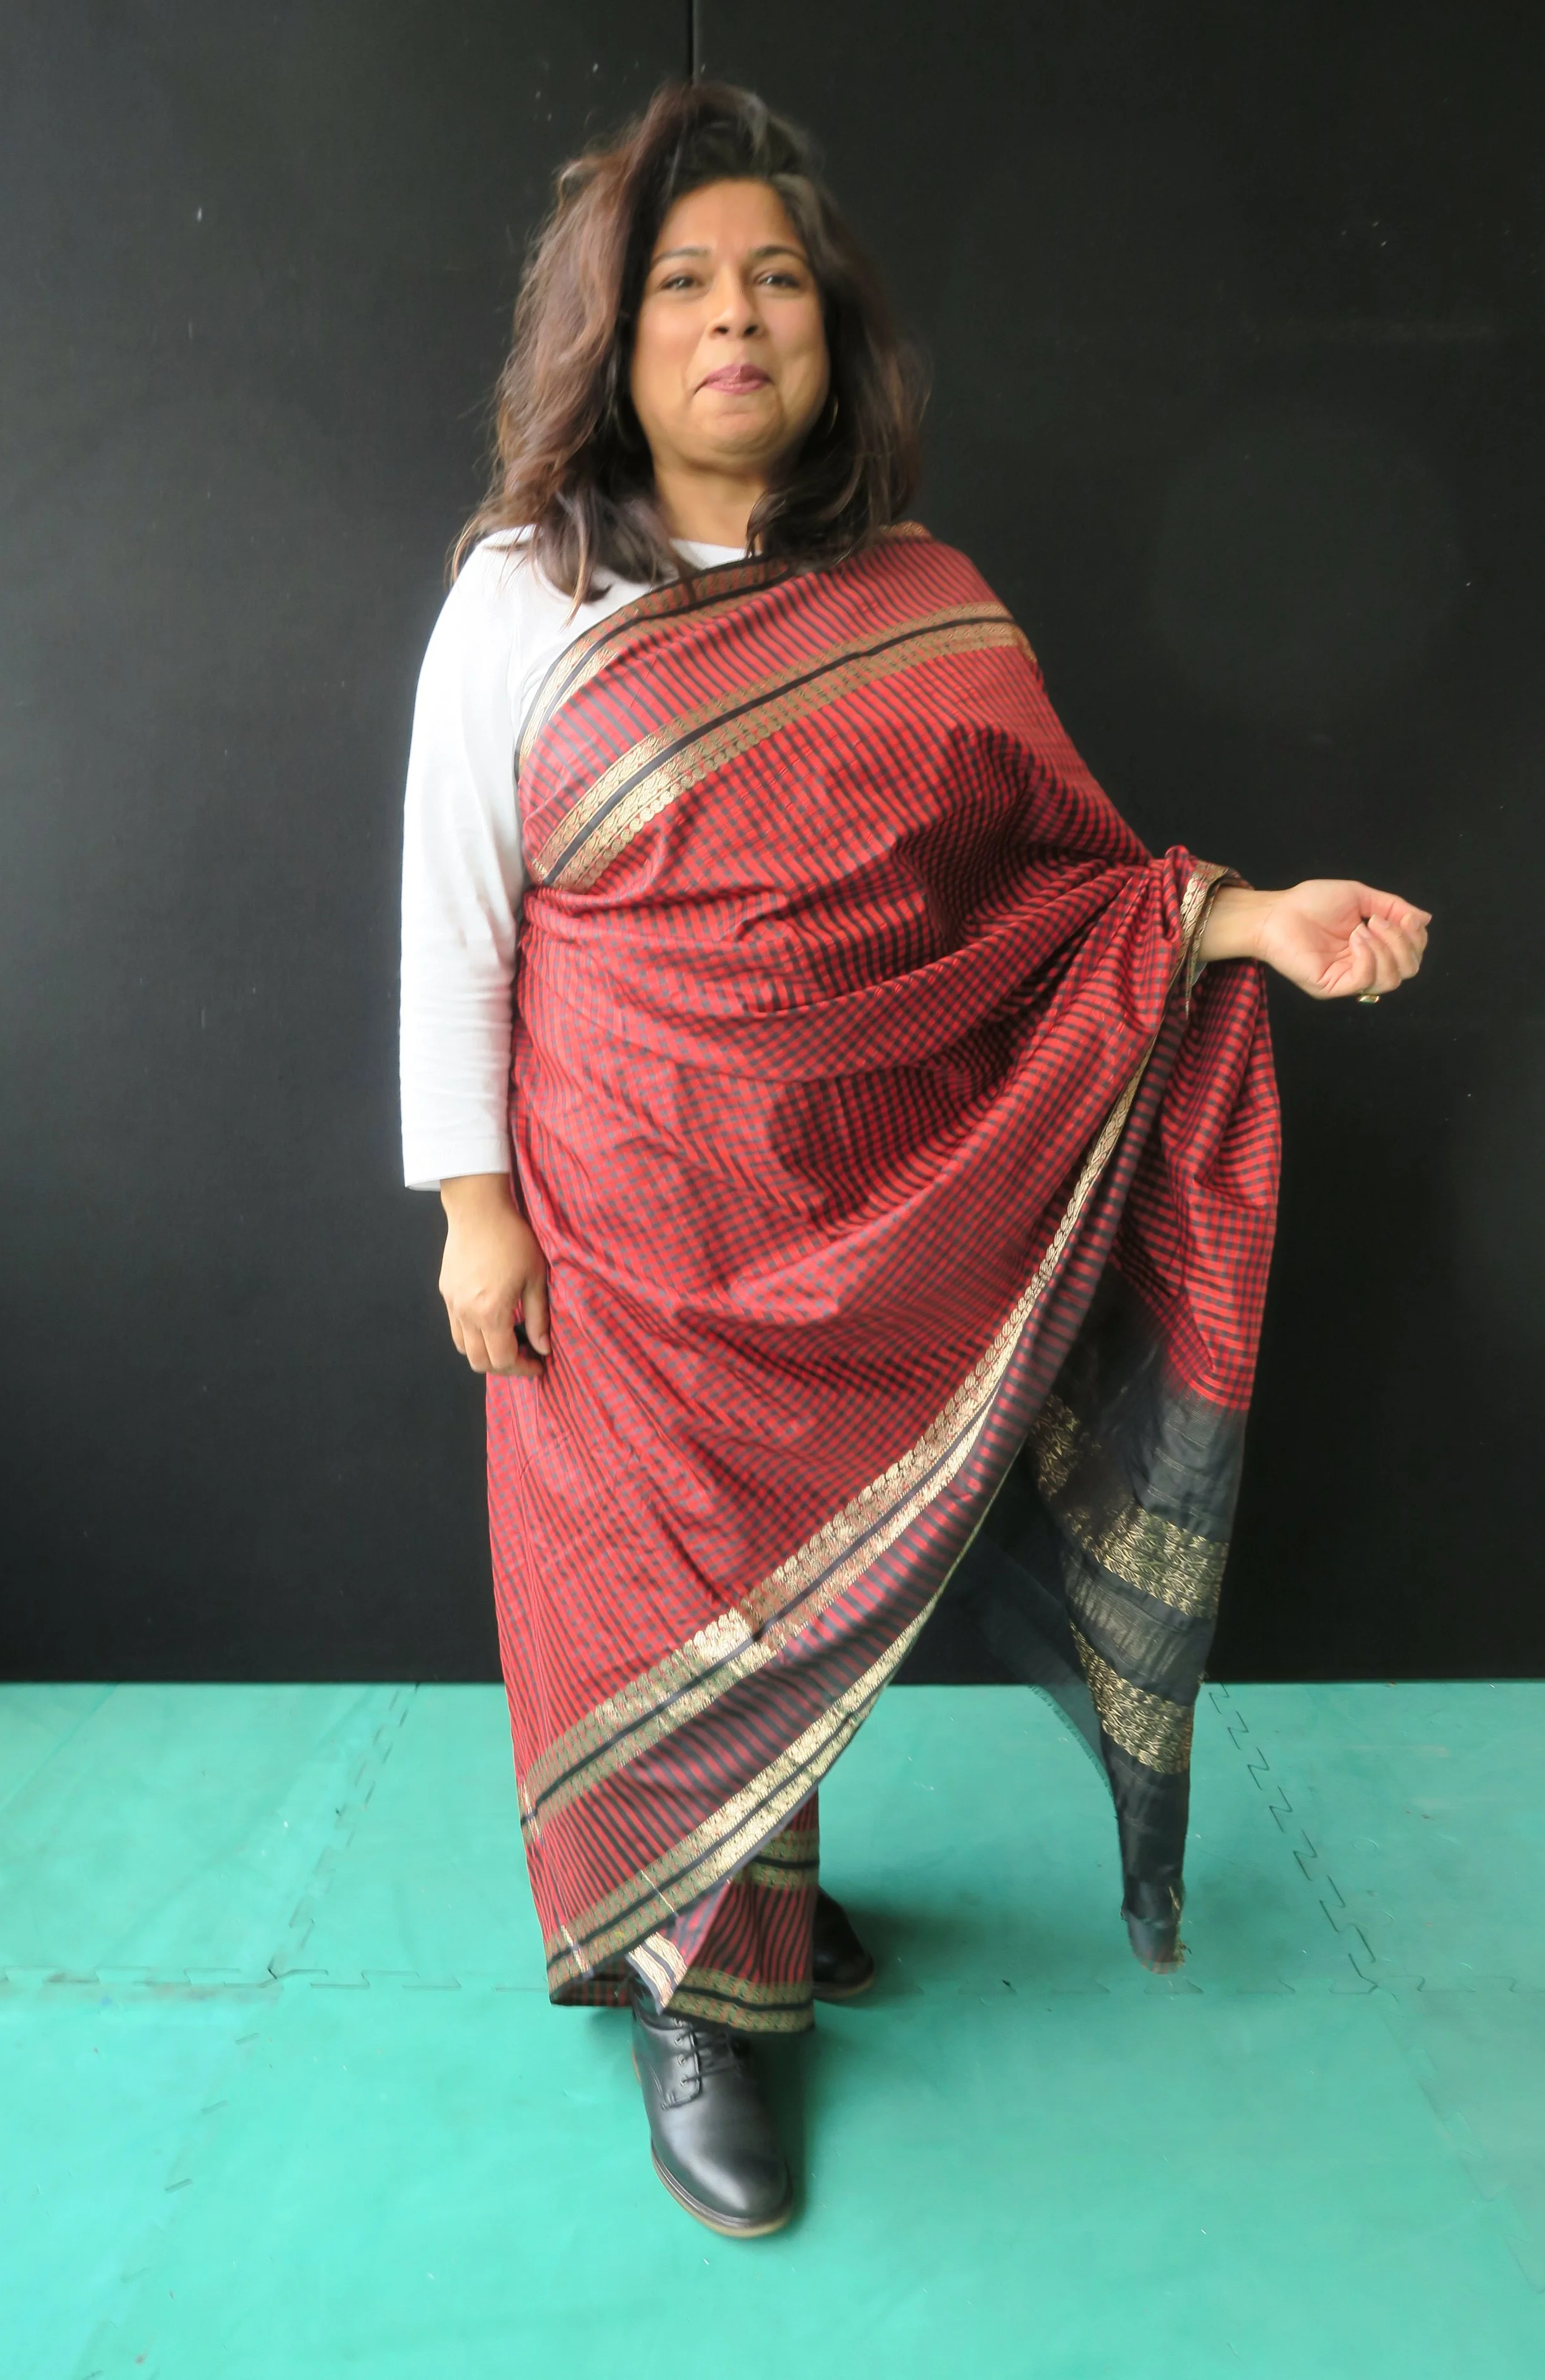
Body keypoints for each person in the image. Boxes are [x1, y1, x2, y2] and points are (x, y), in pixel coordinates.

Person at [398, 81, 1429, 2238]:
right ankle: (698, 2001)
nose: (734, 319)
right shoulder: (518, 593)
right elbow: (454, 920)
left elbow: (1053, 901)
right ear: (609, 337)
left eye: (774, 279)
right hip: (620, 1236)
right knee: (650, 1601)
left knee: (802, 1596)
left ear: (832, 330)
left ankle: (747, 1893)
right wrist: (472, 1204)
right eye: (684, 285)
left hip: (856, 1223)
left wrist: (1246, 920)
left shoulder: (920, 598)